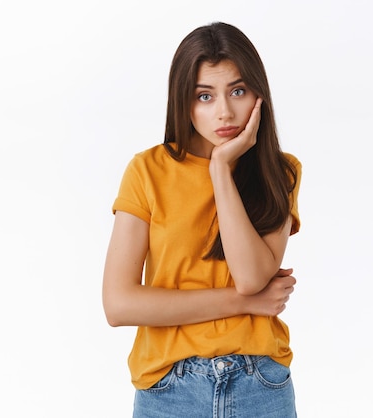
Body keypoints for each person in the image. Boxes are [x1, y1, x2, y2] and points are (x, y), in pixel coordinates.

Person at [102, 22, 301, 418]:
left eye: (238, 91)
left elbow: (249, 277)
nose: (224, 112)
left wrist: (221, 170)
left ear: (259, 95)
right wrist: (246, 303)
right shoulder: (148, 171)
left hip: (259, 382)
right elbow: (119, 304)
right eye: (204, 96)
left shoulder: (280, 172)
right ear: (183, 102)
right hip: (168, 390)